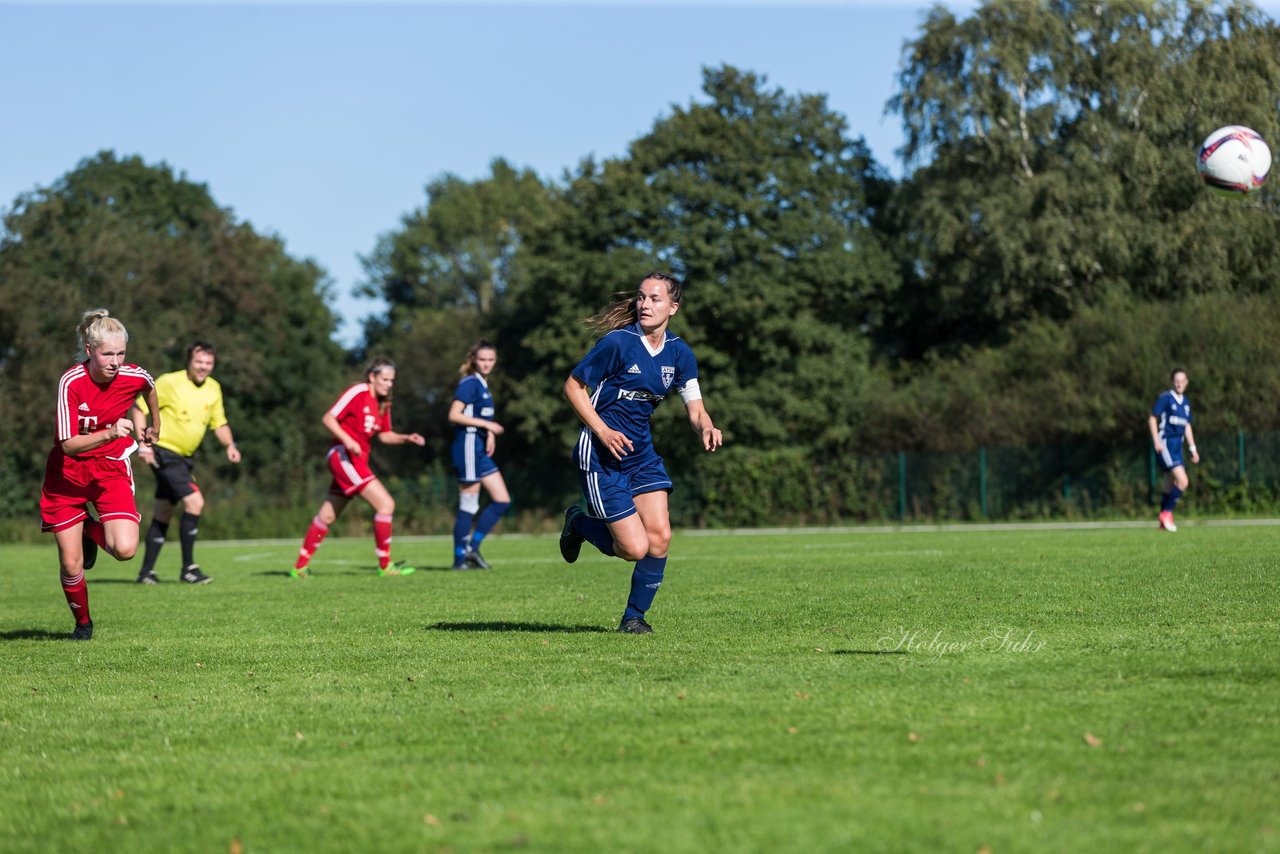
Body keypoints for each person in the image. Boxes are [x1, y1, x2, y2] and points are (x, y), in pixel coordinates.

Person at [557, 272, 723, 634]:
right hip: (601, 455)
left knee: (660, 537)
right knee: (634, 548)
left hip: (642, 456)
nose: (645, 304)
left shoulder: (679, 353)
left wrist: (707, 427)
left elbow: (696, 408)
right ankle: (578, 523)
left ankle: (634, 618)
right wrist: (602, 429)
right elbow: (573, 387)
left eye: (655, 298)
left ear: (673, 307)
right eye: (641, 297)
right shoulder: (618, 343)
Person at [40, 308, 160, 640]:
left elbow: (148, 388)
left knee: (124, 549)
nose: (115, 361)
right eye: (108, 353)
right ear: (91, 350)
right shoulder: (72, 381)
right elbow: (67, 446)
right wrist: (110, 432)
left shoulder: (133, 375)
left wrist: (153, 427)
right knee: (71, 565)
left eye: (121, 353)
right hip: (67, 475)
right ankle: (83, 625)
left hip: (109, 470)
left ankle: (87, 530)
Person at [291, 358, 425, 578]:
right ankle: (385, 566)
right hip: (342, 456)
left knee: (327, 516)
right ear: (372, 376)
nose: (389, 384)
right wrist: (347, 440)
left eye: (392, 380)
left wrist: (405, 438)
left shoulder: (384, 403)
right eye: (385, 379)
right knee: (385, 504)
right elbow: (329, 418)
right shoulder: (358, 392)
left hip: (356, 461)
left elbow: (385, 435)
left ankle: (299, 568)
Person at [133, 341, 241, 585]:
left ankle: (146, 573)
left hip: (185, 459)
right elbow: (139, 409)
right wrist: (143, 444)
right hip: (164, 453)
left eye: (208, 363)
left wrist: (230, 446)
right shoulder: (170, 382)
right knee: (195, 501)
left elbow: (219, 423)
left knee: (163, 510)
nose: (203, 367)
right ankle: (189, 568)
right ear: (189, 362)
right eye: (199, 362)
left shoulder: (214, 388)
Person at [447, 340, 511, 570]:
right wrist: (488, 425)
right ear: (474, 359)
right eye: (482, 359)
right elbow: (454, 414)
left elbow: (481, 418)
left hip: (479, 448)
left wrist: (489, 432)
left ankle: (472, 549)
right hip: (468, 446)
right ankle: (458, 559)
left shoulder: (483, 385)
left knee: (502, 500)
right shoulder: (469, 383)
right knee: (469, 504)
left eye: (491, 360)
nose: (486, 364)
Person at [1148, 368, 1200, 533]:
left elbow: (1187, 426)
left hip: (1178, 447)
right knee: (1183, 481)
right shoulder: (1166, 398)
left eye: (1182, 380)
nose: (1179, 383)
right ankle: (1166, 513)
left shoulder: (1185, 402)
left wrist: (1193, 448)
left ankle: (1163, 522)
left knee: (1169, 484)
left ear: (1186, 382)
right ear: (1172, 381)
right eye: (1176, 380)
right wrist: (1156, 440)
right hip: (1166, 444)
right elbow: (1152, 418)